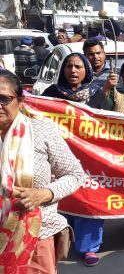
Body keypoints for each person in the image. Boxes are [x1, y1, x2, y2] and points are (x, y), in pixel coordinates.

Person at [0, 70, 84, 273]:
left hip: (37, 233)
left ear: (20, 101)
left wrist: (43, 194)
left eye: (4, 98)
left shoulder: (42, 131)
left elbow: (75, 174)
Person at [41, 53, 109, 266]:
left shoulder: (97, 95)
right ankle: (59, 241)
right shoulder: (50, 94)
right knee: (61, 200)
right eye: (69, 66)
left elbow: (109, 126)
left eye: (78, 66)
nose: (73, 70)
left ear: (86, 71)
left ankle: (89, 247)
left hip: (89, 159)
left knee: (89, 200)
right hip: (57, 158)